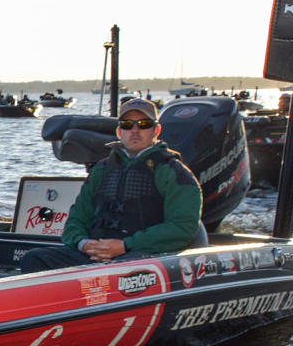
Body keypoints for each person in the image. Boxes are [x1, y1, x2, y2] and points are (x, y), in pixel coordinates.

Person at [20, 98, 202, 273]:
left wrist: (125, 246)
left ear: (157, 130)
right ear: (119, 131)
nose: (135, 130)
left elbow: (182, 227)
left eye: (144, 124)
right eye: (127, 125)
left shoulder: (173, 172)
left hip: (143, 256)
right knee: (35, 259)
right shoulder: (101, 170)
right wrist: (84, 244)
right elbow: (76, 219)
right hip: (94, 255)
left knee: (120, 270)